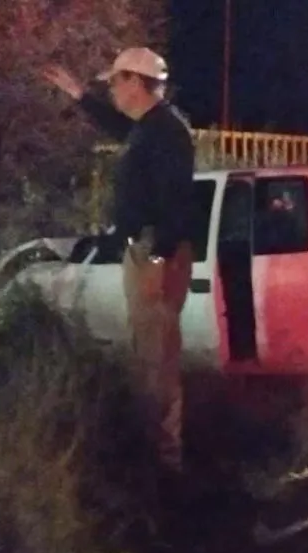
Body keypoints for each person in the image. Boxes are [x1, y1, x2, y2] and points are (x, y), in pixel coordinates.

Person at [41, 48, 196, 486]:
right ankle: (159, 455)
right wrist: (80, 96)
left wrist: (159, 258)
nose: (111, 89)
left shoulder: (166, 131)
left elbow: (174, 203)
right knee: (150, 353)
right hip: (146, 250)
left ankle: (165, 465)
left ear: (134, 82)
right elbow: (119, 128)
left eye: (114, 81)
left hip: (155, 253)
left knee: (156, 357)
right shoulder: (151, 127)